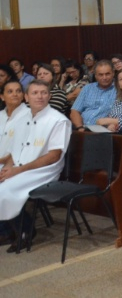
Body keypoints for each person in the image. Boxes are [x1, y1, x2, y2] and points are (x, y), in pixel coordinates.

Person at [0, 80, 72, 250]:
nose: (39, 96)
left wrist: (17, 171)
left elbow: (53, 156)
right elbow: (15, 149)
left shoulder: (58, 120)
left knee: (5, 189)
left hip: (43, 170)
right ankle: (6, 230)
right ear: (26, 97)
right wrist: (6, 168)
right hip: (20, 166)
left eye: (43, 92)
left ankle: (25, 230)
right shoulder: (22, 118)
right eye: (34, 93)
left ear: (50, 95)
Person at [70, 59, 117, 128]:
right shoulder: (87, 88)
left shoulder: (119, 89)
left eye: (107, 74)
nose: (104, 77)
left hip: (104, 130)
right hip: (82, 127)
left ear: (113, 73)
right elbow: (75, 111)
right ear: (95, 76)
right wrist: (80, 127)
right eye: (100, 75)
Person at [95, 67, 122, 132]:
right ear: (118, 85)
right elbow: (111, 116)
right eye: (121, 79)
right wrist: (111, 125)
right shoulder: (118, 101)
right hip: (115, 134)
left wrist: (112, 121)